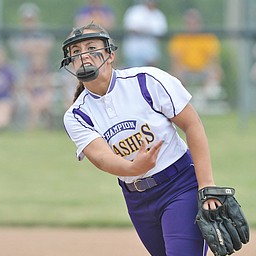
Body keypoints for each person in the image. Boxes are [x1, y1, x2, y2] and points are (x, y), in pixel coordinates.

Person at [60, 23, 220, 256]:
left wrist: (206, 184)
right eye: (75, 52)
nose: (83, 55)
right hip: (137, 200)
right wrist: (133, 167)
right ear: (70, 62)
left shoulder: (146, 81)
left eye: (91, 47)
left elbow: (192, 124)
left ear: (110, 54)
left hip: (179, 185)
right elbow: (102, 157)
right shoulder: (77, 115)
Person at [168, 8, 226, 113]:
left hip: (203, 70)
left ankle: (204, 105)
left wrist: (214, 70)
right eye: (189, 23)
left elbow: (213, 60)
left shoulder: (207, 38)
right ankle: (181, 106)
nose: (192, 26)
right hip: (185, 71)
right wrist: (179, 70)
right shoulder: (179, 38)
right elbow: (175, 61)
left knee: (214, 73)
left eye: (194, 23)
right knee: (175, 76)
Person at [122, 0, 167, 67]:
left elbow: (162, 32)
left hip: (151, 51)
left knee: (150, 73)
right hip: (134, 51)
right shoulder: (135, 11)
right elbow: (129, 27)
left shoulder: (158, 15)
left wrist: (144, 30)